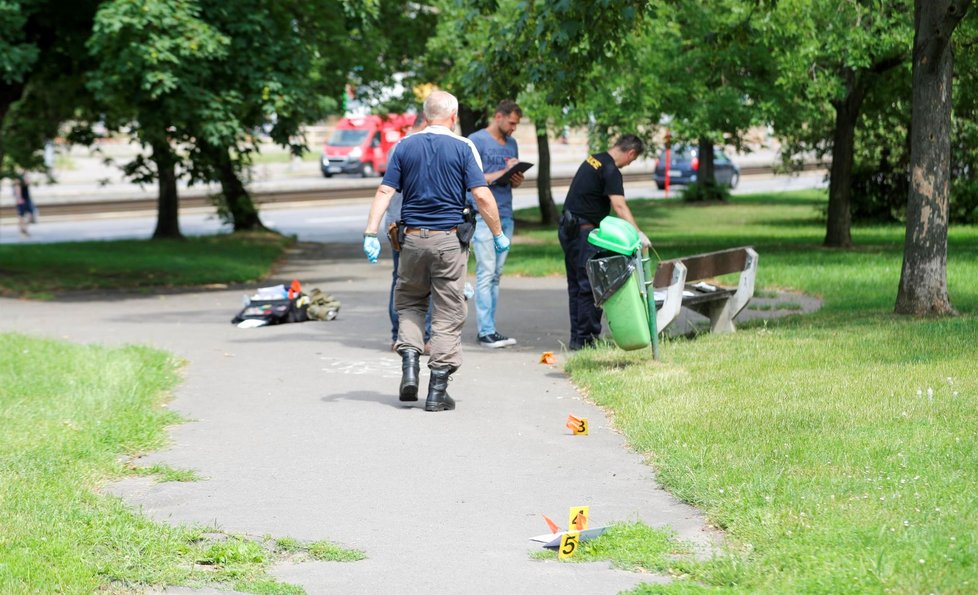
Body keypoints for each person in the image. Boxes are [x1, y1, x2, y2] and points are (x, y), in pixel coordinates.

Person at [363, 91, 510, 412]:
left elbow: (385, 190)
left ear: (425, 115)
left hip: (411, 240)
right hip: (448, 242)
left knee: (411, 304)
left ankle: (410, 367)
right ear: (454, 116)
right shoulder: (463, 147)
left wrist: (370, 232)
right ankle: (437, 391)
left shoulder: (404, 146)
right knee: (448, 311)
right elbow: (482, 195)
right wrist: (498, 233)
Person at [558, 134, 650, 351]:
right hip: (584, 233)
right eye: (632, 160)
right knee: (590, 286)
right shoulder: (611, 171)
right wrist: (638, 234)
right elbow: (619, 206)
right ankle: (587, 340)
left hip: (568, 228)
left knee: (576, 286)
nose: (629, 164)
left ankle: (577, 339)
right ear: (631, 153)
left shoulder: (595, 159)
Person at [468, 100, 525, 348]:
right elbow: (471, 180)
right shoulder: (476, 141)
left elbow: (510, 181)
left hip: (505, 214)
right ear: (498, 116)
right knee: (486, 272)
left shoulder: (512, 144)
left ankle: (490, 328)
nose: (514, 129)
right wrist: (501, 173)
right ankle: (485, 331)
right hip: (482, 215)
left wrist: (515, 178)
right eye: (511, 123)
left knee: (496, 274)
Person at [384, 116, 432, 352]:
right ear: (426, 123)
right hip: (409, 225)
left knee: (400, 280)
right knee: (420, 282)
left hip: (397, 223)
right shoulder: (413, 147)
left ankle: (400, 337)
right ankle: (419, 337)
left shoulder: (399, 147)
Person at [12, 171, 36, 238]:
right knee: (21, 216)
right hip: (21, 200)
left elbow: (29, 182)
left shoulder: (25, 177)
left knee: (29, 215)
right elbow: (17, 188)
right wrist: (19, 198)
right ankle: (23, 230)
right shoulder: (18, 179)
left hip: (27, 199)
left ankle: (23, 229)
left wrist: (27, 177)